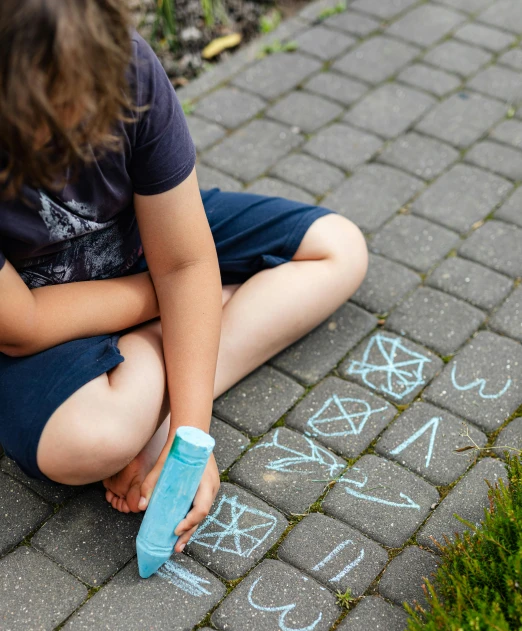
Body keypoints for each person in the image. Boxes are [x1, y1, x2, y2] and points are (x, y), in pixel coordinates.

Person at [0, 0, 368, 554]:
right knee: (87, 441)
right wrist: (171, 302)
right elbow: (22, 324)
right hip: (43, 314)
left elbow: (186, 263)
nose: (75, 133)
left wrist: (188, 439)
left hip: (148, 245)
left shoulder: (127, 68)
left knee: (338, 248)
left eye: (86, 108)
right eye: (51, 125)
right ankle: (178, 339)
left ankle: (160, 372)